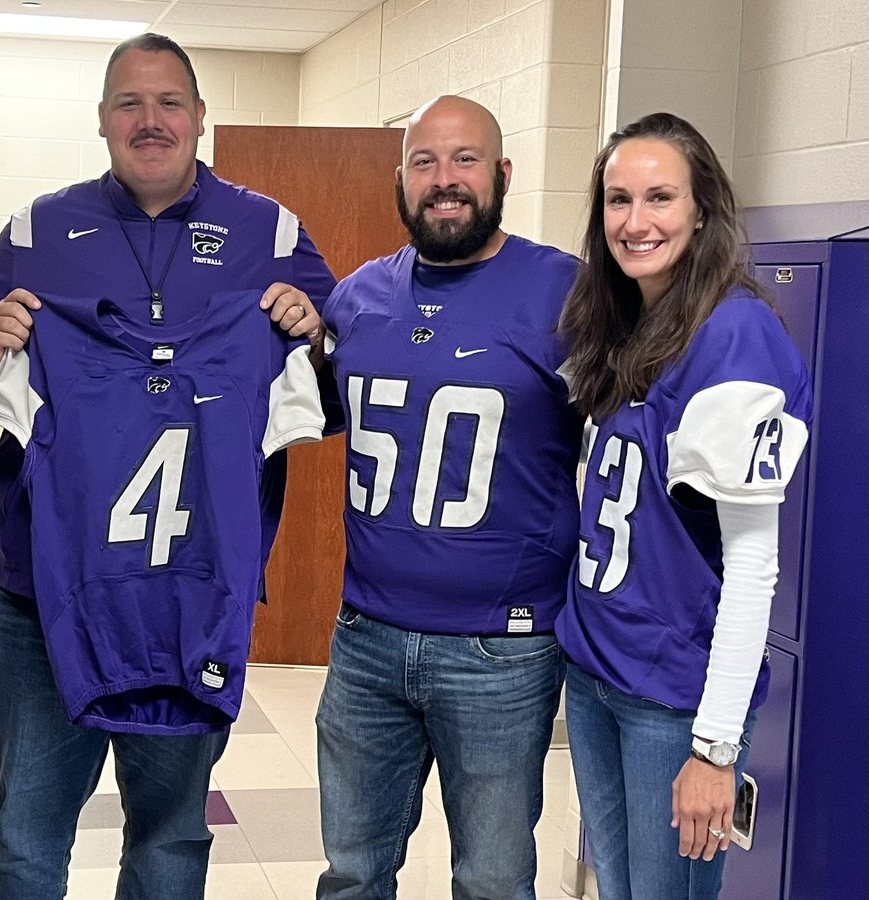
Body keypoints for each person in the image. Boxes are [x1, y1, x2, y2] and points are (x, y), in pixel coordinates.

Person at [0, 32, 336, 900]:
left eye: (168, 103)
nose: (149, 120)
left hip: (188, 596)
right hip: (44, 594)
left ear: (200, 117)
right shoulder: (39, 225)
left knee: (168, 833)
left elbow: (335, 358)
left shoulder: (269, 228)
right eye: (130, 103)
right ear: (102, 121)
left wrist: (312, 327)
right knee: (23, 835)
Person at [315, 95, 582, 899]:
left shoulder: (566, 292)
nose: (444, 180)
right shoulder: (358, 295)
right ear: (400, 180)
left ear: (502, 174)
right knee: (353, 874)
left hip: (503, 650)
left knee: (494, 883)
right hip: (366, 637)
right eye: (424, 162)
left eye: (464, 160)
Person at [555, 112, 812, 900]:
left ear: (703, 209)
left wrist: (715, 747)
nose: (635, 222)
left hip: (669, 699)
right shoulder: (625, 317)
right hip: (597, 671)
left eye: (660, 198)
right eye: (618, 200)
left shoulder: (735, 335)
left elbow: (753, 566)